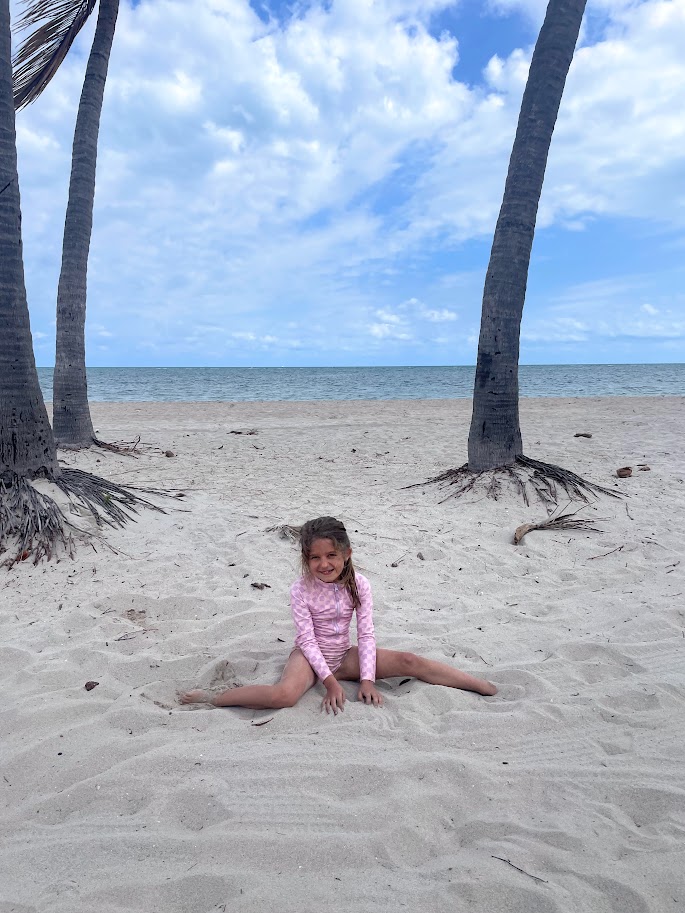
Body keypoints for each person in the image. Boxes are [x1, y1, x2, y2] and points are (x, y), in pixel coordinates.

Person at [180, 516, 497, 714]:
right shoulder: (300, 589)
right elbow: (306, 640)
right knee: (284, 696)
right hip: (308, 658)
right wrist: (330, 683)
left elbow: (367, 634)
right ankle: (215, 698)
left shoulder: (360, 584)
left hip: (344, 656)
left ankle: (477, 684)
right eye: (315, 557)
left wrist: (368, 680)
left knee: (410, 661)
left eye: (331, 555)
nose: (324, 564)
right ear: (306, 559)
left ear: (347, 554)